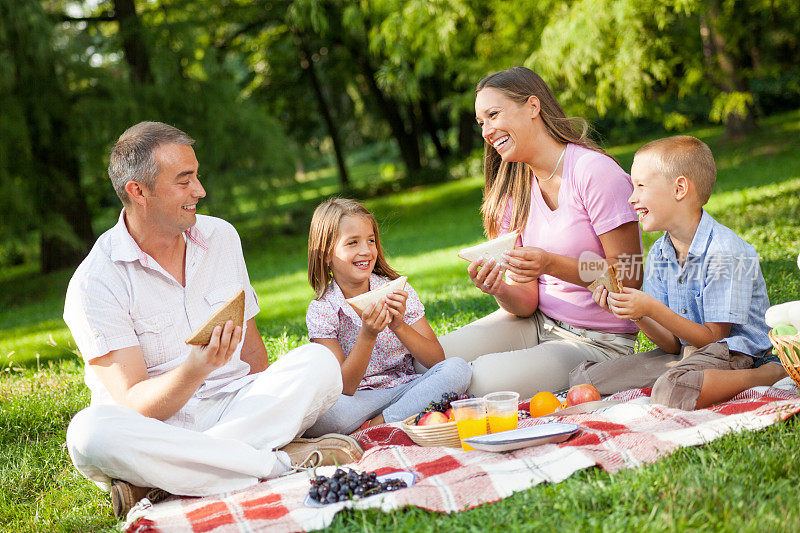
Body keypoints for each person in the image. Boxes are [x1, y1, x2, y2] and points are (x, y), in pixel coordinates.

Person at [64, 122, 362, 520]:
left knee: (320, 363)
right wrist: (195, 368)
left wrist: (281, 406)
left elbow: (253, 349)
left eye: (197, 176)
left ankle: (160, 481)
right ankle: (278, 464)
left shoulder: (221, 237)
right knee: (88, 434)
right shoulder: (95, 282)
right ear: (138, 191)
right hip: (157, 431)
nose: (200, 191)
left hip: (236, 407)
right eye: (184, 181)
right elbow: (134, 403)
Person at [438, 66, 643, 399]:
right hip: (536, 321)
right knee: (431, 358)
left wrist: (551, 264)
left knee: (480, 382)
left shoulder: (594, 173)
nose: (486, 131)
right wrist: (499, 288)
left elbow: (629, 276)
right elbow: (526, 302)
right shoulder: (515, 189)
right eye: (481, 123)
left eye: (493, 115)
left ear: (533, 107)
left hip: (598, 340)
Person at [570, 135, 786, 409]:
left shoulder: (724, 252)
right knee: (586, 380)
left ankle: (766, 374)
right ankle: (685, 376)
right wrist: (636, 312)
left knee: (673, 389)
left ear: (679, 188)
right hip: (689, 353)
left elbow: (715, 339)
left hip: (737, 354)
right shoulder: (660, 254)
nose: (631, 198)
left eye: (640, 186)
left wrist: (651, 307)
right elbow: (671, 344)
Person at [303, 198, 470, 436]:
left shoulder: (397, 291)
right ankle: (405, 415)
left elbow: (436, 360)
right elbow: (345, 386)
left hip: (405, 386)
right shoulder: (322, 310)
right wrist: (368, 335)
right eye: (352, 242)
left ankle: (378, 424)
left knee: (457, 369)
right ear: (326, 255)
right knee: (325, 418)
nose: (365, 250)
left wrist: (399, 325)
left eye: (371, 240)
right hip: (356, 399)